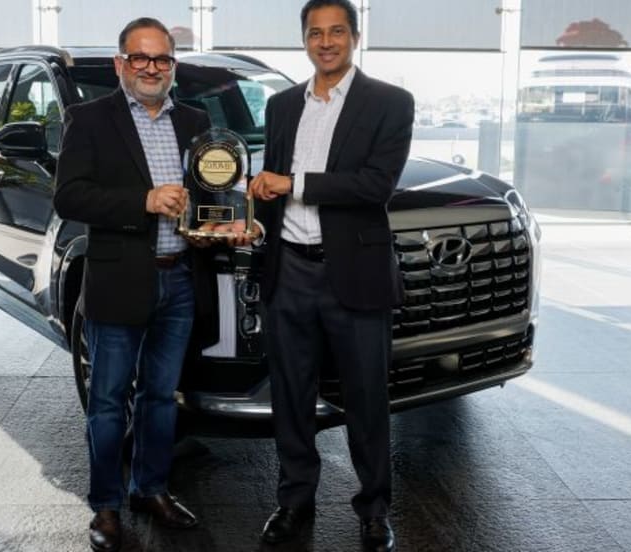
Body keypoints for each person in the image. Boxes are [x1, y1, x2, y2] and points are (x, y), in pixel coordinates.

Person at [248, 1, 414, 551]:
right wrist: (252, 222)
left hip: (354, 274)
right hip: (289, 270)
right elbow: (270, 188)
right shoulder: (281, 106)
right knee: (291, 397)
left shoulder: (390, 102)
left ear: (354, 37)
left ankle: (374, 509)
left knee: (367, 399)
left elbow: (375, 185)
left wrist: (291, 183)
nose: (325, 42)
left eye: (336, 31)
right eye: (315, 33)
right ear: (304, 40)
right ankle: (294, 501)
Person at [54, 17, 218, 552]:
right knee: (107, 400)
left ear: (174, 66)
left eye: (162, 59)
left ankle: (150, 489)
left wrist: (223, 221)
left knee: (161, 398)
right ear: (120, 63)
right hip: (119, 280)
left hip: (181, 279)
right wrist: (143, 202)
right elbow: (69, 196)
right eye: (140, 58)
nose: (151, 68)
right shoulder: (89, 119)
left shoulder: (195, 120)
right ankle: (106, 506)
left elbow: (211, 190)